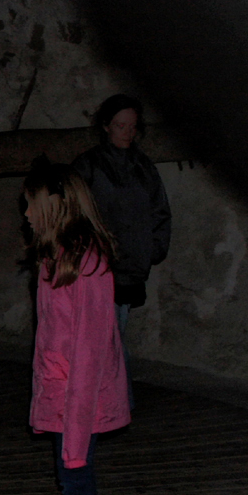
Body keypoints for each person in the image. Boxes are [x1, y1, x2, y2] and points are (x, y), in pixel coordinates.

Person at [13, 163, 130, 495]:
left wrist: (75, 435)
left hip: (80, 401)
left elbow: (89, 355)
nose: (25, 212)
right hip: (62, 395)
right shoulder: (58, 257)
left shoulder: (88, 263)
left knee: (76, 478)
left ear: (54, 204)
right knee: (73, 481)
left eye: (30, 203)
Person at [69, 95, 171, 338]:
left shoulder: (143, 167)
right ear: (106, 126)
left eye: (132, 127)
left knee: (115, 334)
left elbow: (160, 211)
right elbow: (72, 210)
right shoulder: (89, 165)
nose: (127, 132)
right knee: (101, 338)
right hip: (97, 266)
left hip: (131, 266)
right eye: (120, 126)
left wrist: (151, 249)